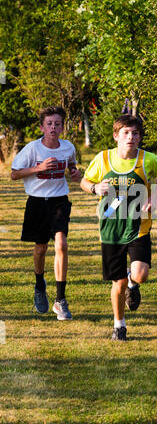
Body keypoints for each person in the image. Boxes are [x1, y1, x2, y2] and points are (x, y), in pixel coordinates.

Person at [80, 114, 157, 341]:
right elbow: (84, 181)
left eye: (135, 133)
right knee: (116, 283)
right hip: (110, 229)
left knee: (141, 274)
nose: (131, 137)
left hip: (138, 227)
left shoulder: (148, 160)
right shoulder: (103, 159)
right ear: (116, 136)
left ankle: (133, 282)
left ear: (140, 137)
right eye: (126, 133)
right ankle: (119, 325)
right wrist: (95, 188)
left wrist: (155, 198)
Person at [11, 106, 81, 320]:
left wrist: (76, 172)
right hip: (37, 203)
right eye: (49, 123)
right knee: (41, 249)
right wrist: (38, 168)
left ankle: (60, 300)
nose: (53, 127)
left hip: (59, 201)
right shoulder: (32, 149)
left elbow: (71, 165)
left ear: (62, 127)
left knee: (61, 244)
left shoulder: (68, 147)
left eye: (57, 123)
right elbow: (14, 174)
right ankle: (39, 285)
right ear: (42, 127)